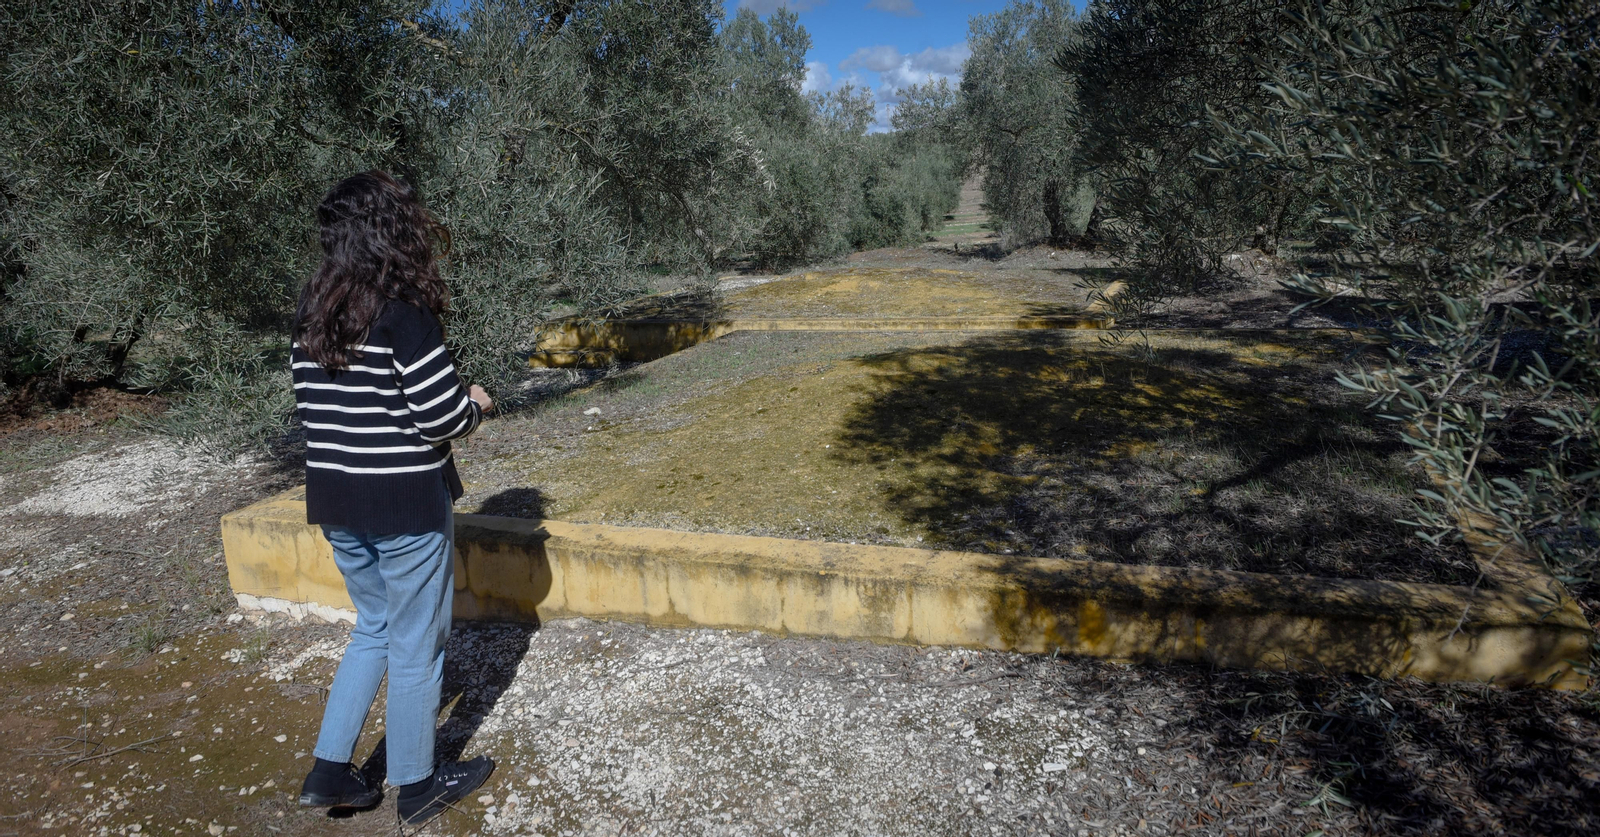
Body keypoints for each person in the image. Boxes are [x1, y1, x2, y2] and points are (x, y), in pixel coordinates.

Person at [289, 171, 495, 826]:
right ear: (392, 232)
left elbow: (319, 411)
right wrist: (477, 406)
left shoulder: (312, 314)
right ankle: (418, 783)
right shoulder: (404, 314)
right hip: (405, 502)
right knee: (414, 641)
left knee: (372, 626)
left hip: (336, 500)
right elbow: (439, 415)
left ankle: (329, 773)